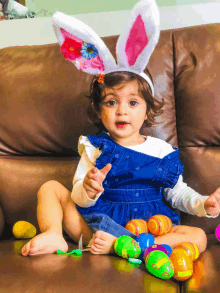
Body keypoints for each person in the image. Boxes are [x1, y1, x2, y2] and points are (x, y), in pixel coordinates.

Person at [21, 0, 220, 256]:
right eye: (111, 102)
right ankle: (53, 234)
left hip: (151, 231)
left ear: (147, 110)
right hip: (100, 228)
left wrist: (203, 203)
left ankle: (127, 247)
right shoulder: (95, 148)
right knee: (50, 188)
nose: (122, 110)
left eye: (133, 102)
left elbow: (177, 193)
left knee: (197, 237)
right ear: (99, 110)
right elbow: (80, 197)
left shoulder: (161, 150)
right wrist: (88, 189)